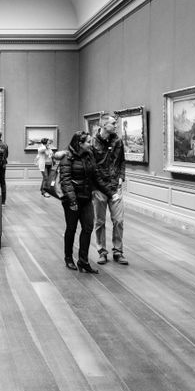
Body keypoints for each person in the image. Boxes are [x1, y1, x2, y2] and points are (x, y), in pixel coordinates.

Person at [57, 131, 114, 274]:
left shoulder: (89, 155)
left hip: (86, 198)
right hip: (72, 200)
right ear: (80, 143)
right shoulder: (67, 157)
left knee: (88, 228)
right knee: (71, 228)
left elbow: (96, 177)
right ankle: (68, 258)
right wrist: (72, 200)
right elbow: (65, 181)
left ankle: (83, 261)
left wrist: (110, 193)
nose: (90, 143)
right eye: (88, 141)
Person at [91, 112, 127, 265]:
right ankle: (102, 251)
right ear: (103, 125)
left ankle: (118, 251)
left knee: (118, 220)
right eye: (113, 123)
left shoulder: (118, 141)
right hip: (99, 188)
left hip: (115, 186)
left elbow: (122, 162)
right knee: (99, 222)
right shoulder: (92, 142)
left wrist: (121, 179)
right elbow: (93, 169)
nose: (116, 126)